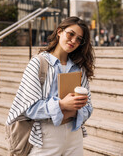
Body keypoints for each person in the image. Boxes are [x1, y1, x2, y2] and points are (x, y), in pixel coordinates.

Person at [6, 16, 95, 156]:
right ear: (59, 31)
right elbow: (29, 108)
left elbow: (88, 107)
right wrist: (62, 105)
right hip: (46, 136)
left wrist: (77, 108)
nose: (73, 41)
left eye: (79, 39)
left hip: (74, 135)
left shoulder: (79, 68)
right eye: (71, 34)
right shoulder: (38, 63)